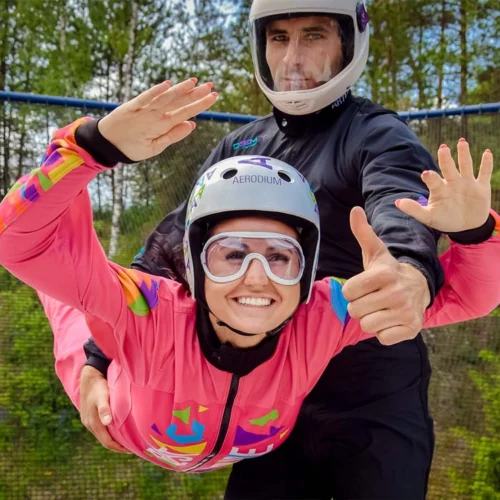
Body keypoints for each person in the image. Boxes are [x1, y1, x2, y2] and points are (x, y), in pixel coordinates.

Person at [78, 1, 497, 497]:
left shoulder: (379, 135)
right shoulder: (239, 149)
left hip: (373, 401)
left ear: (349, 43)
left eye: (314, 35)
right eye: (279, 38)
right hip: (268, 396)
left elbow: (397, 202)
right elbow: (168, 256)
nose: (294, 58)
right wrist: (97, 362)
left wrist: (406, 268)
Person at [0, 80, 499, 479]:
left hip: (231, 443)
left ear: (309, 273)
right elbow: (18, 242)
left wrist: (477, 232)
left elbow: (464, 298)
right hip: (116, 358)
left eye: (281, 257)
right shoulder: (150, 309)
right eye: (230, 255)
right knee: (68, 290)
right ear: (193, 265)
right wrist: (92, 146)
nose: (255, 279)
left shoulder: (321, 317)